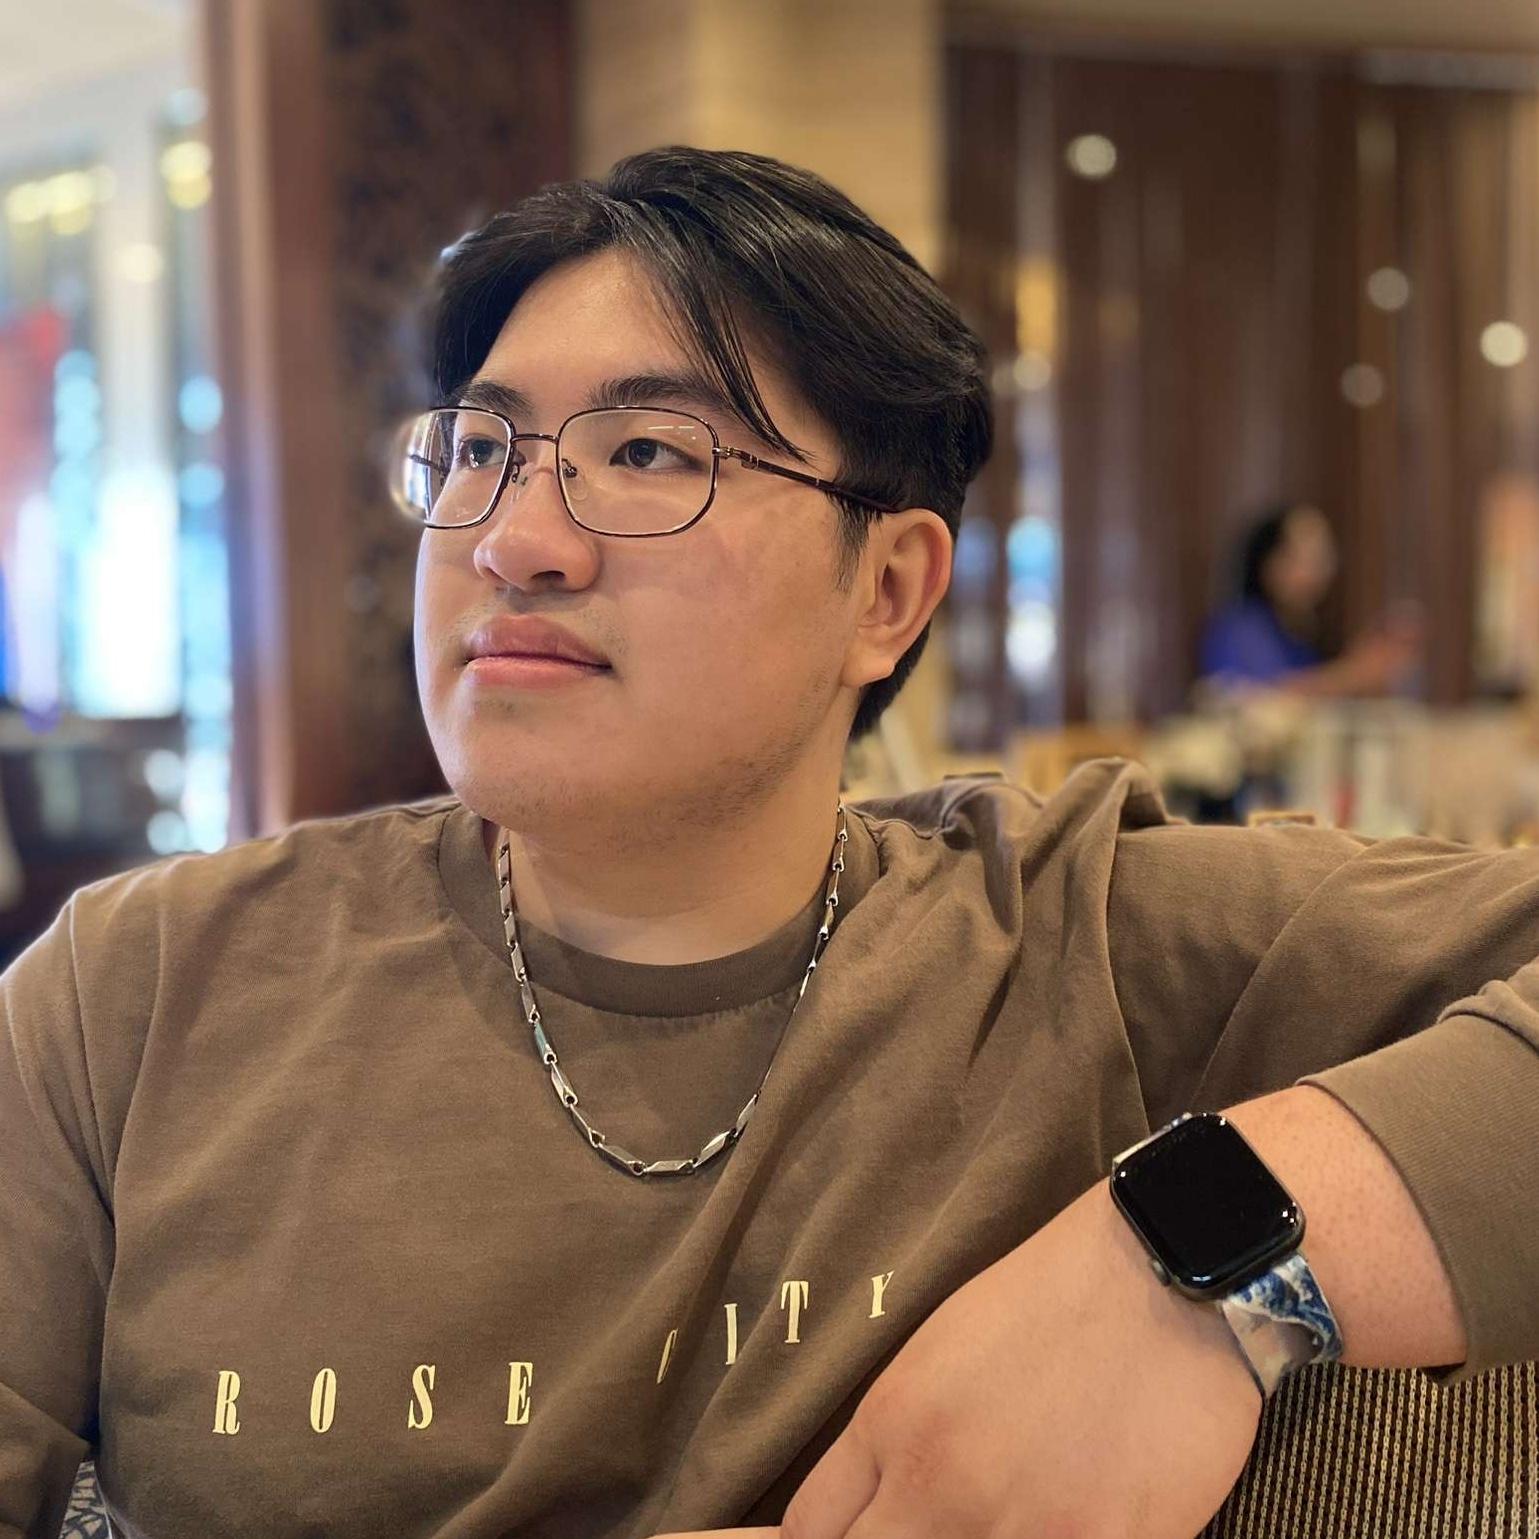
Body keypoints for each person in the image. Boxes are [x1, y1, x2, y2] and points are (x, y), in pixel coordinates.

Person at [2, 147, 1536, 1539]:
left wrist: (1197, 1264)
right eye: (478, 447)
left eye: (648, 454)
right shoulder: (139, 994)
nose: (512, 538)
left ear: (887, 592)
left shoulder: (1081, 938)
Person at [1200, 502, 1420, 697]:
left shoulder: (1305, 631)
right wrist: (1352, 674)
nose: (1318, 571)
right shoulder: (1239, 629)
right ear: (1266, 562)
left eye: (1322, 557)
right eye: (1303, 558)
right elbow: (1252, 700)